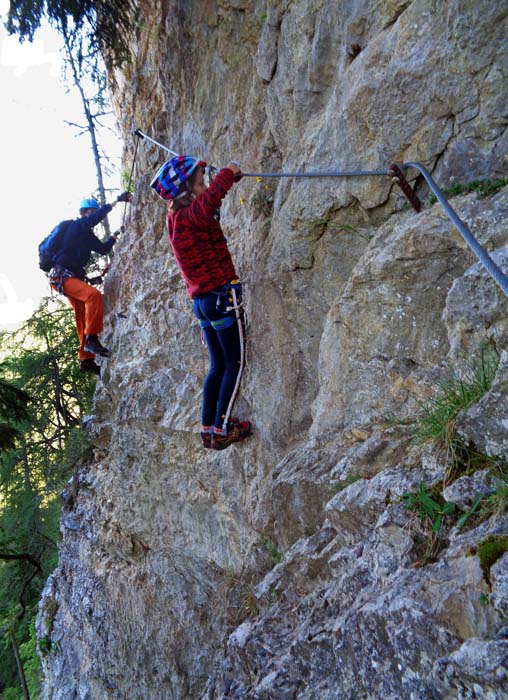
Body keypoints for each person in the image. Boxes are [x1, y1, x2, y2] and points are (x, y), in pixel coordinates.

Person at [151, 155, 251, 450]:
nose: (205, 184)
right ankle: (221, 429)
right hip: (221, 298)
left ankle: (208, 428)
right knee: (235, 363)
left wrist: (219, 180)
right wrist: (229, 173)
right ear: (186, 190)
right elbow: (208, 204)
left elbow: (206, 202)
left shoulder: (175, 217)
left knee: (217, 365)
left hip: (205, 302)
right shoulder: (191, 216)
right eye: (199, 181)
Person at [49, 192, 132, 375]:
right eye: (91, 212)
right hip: (62, 276)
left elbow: (102, 249)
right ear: (84, 212)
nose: (94, 215)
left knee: (81, 315)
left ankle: (86, 359)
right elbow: (92, 220)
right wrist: (116, 201)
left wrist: (116, 233)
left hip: (70, 278)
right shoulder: (77, 226)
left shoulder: (86, 236)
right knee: (93, 296)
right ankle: (91, 339)